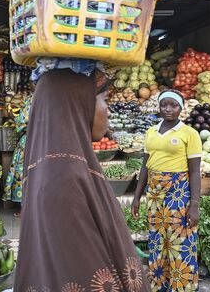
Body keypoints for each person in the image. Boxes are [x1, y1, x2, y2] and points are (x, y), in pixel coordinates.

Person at [14, 69, 150, 291]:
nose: (108, 112)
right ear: (78, 103)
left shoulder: (53, 166)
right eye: (104, 100)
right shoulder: (66, 178)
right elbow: (87, 273)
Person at [132, 90, 202, 292]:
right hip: (154, 192)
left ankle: (182, 286)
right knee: (157, 239)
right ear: (159, 107)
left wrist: (194, 206)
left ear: (181, 108)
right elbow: (145, 166)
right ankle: (159, 284)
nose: (168, 109)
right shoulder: (151, 132)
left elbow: (195, 171)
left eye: (173, 105)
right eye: (164, 105)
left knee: (180, 239)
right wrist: (137, 196)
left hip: (178, 191)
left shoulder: (189, 133)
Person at [2, 96, 32, 215]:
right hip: (48, 142)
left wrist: (10, 114)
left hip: (30, 141)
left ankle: (23, 209)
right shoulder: (55, 97)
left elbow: (21, 120)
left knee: (22, 172)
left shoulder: (32, 99)